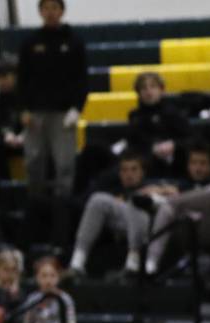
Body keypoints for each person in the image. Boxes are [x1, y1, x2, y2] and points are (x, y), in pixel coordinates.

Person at [18, 0, 88, 198]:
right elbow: (22, 78)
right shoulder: (30, 42)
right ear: (40, 11)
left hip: (63, 113)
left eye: (54, 8)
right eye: (46, 8)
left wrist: (77, 108)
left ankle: (62, 211)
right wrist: (23, 109)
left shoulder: (74, 41)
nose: (50, 12)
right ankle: (36, 208)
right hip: (35, 113)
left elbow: (81, 78)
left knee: (65, 164)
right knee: (33, 163)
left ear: (62, 11)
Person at [69, 150, 159, 277]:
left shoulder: (153, 187)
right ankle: (77, 262)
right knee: (97, 199)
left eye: (134, 170)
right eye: (124, 170)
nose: (129, 174)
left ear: (142, 172)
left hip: (148, 228)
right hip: (119, 225)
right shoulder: (113, 191)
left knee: (137, 200)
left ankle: (133, 262)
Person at [145, 142, 210, 275]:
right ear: (188, 165)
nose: (198, 168)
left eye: (203, 163)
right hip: (187, 233)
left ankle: (164, 202)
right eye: (194, 163)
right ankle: (151, 262)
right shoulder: (181, 187)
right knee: (167, 209)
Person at [126, 72, 191, 179]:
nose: (148, 91)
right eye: (144, 88)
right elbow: (134, 143)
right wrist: (152, 148)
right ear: (138, 92)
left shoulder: (173, 113)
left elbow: (190, 138)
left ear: (161, 89)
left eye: (153, 86)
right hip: (146, 164)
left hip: (175, 161)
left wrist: (173, 145)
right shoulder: (135, 117)